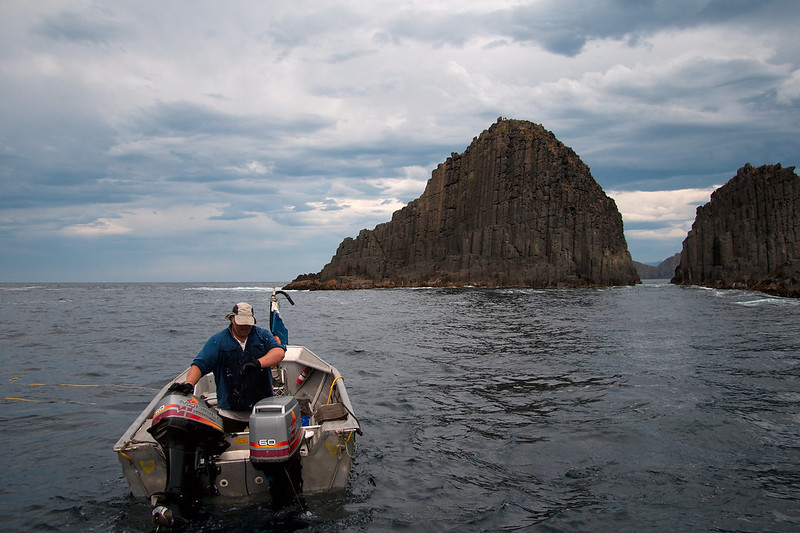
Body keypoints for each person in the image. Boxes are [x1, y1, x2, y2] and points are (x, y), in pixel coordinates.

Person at [174, 302, 286, 431]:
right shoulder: (218, 340)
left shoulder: (262, 335)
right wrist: (189, 383)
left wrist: (257, 363)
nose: (244, 326)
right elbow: (201, 364)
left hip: (262, 409)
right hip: (230, 412)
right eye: (241, 322)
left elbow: (278, 352)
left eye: (247, 323)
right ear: (232, 319)